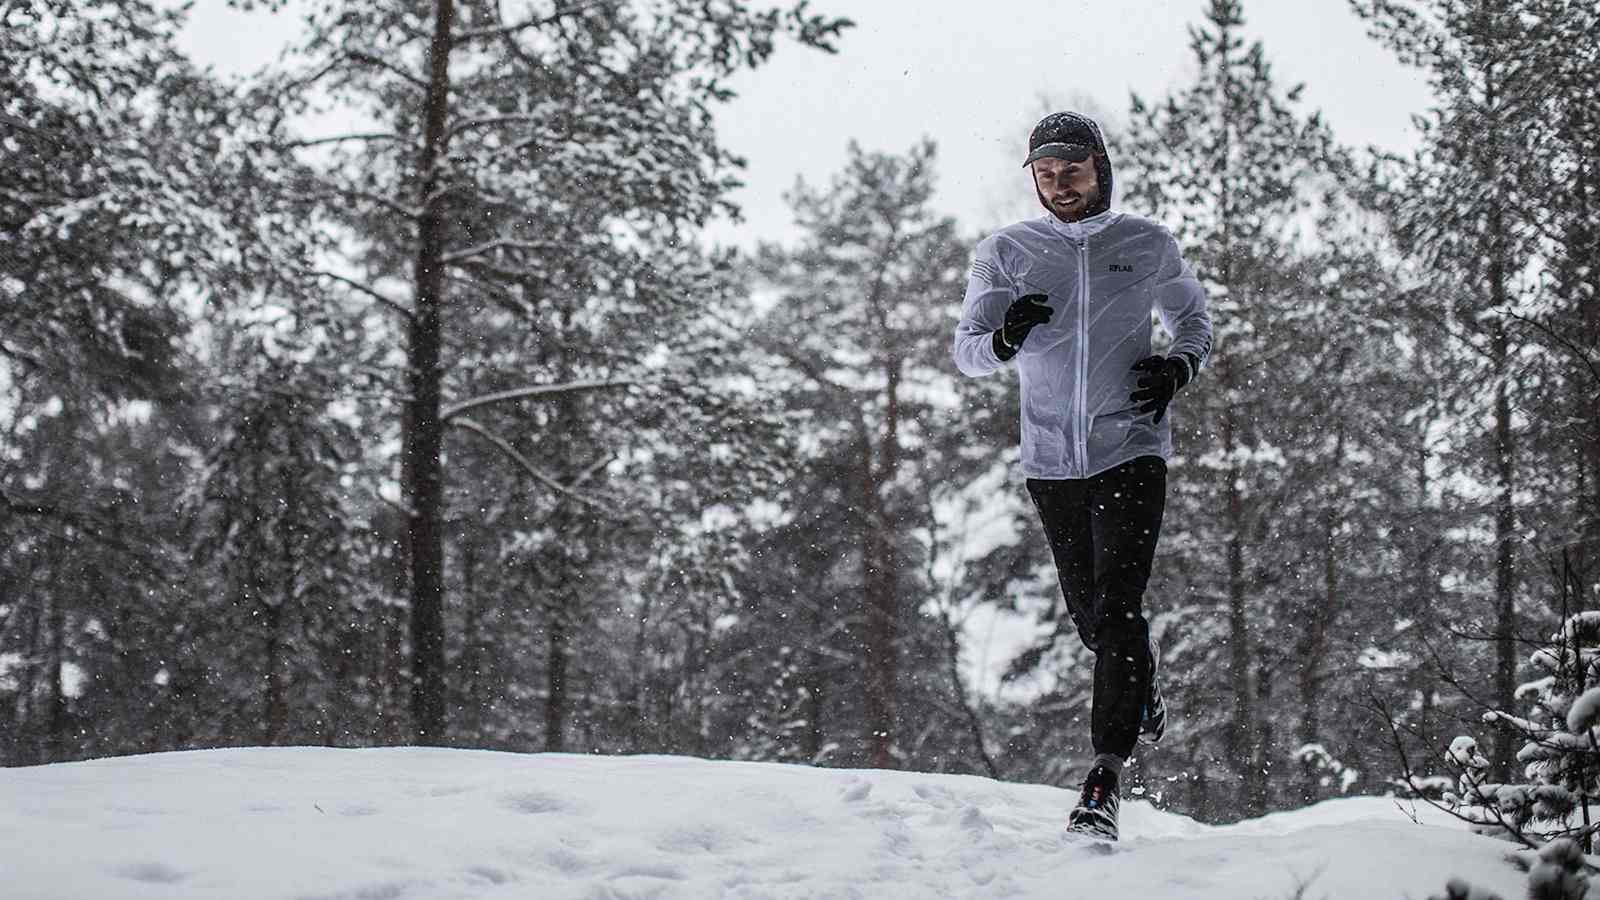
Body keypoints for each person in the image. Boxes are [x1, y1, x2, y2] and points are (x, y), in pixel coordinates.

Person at [952, 111, 1212, 841]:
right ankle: (1140, 686)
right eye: (1045, 173)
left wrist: (1177, 368)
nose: (1059, 184)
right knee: (1095, 619)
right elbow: (967, 351)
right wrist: (1005, 337)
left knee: (1121, 602)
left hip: (1131, 447)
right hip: (1051, 463)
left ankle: (1103, 779)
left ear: (1100, 168)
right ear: (1032, 178)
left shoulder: (1147, 243)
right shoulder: (1005, 251)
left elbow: (1194, 323)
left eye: (1072, 170)